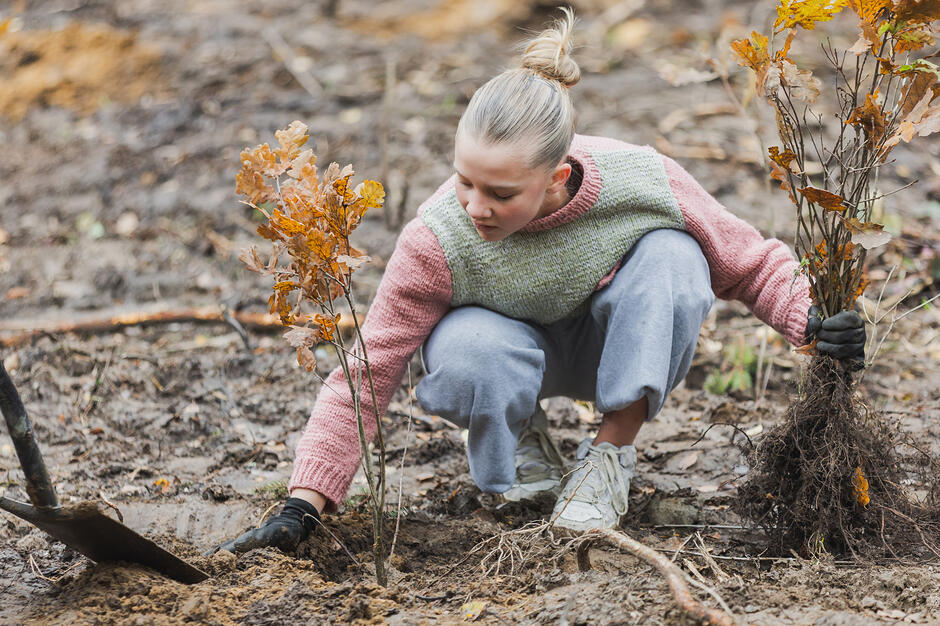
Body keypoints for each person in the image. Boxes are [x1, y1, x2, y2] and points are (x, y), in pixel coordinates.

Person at [213, 8, 866, 553]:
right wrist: (305, 502)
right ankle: (521, 448)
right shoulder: (437, 237)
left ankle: (608, 461)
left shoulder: (642, 178)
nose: (475, 205)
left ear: (557, 178)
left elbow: (747, 259)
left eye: (500, 192)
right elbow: (370, 370)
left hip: (607, 346)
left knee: (675, 255)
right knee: (464, 347)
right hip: (508, 357)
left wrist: (810, 320)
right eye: (465, 181)